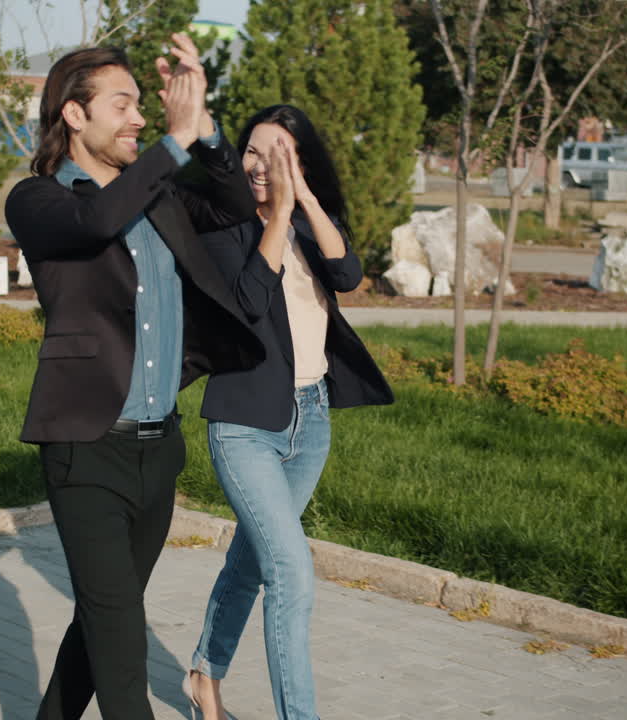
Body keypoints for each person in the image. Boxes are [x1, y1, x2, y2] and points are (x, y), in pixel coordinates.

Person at [4, 37, 264, 720]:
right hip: (87, 449)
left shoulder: (160, 193)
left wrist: (202, 128)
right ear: (73, 114)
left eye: (145, 108)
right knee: (121, 648)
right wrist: (173, 146)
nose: (140, 120)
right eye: (123, 105)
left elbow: (236, 204)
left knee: (103, 625)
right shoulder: (39, 201)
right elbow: (96, 223)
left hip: (159, 452)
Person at [183, 105, 394, 720]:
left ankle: (203, 675)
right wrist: (275, 214)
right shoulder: (225, 225)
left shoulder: (308, 224)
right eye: (252, 150)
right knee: (291, 575)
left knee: (251, 563)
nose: (257, 164)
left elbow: (349, 273)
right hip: (245, 425)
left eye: (276, 154)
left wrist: (298, 198)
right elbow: (249, 301)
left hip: (311, 420)